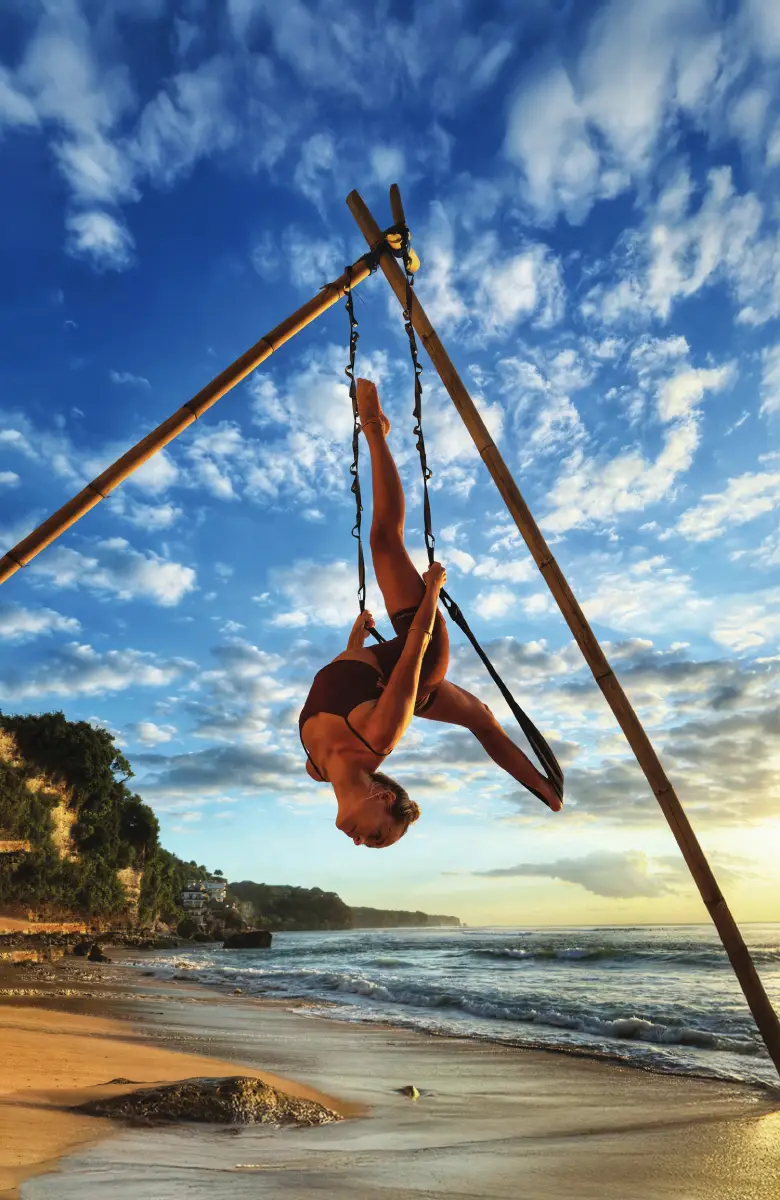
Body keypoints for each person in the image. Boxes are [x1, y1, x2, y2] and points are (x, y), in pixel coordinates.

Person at [299, 378, 562, 849]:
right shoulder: (379, 735)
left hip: (386, 668)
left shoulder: (315, 768)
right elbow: (415, 648)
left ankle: (546, 790)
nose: (360, 842)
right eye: (378, 836)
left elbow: (340, 685)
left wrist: (355, 642)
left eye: (368, 844)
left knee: (480, 716)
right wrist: (432, 592)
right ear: (381, 797)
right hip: (419, 657)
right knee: (384, 539)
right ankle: (376, 430)